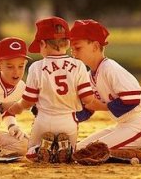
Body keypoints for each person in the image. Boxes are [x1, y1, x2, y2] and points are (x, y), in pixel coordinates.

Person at [8, 17, 107, 163]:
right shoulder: (78, 65)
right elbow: (87, 100)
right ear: (67, 43)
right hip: (68, 122)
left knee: (30, 154)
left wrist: (17, 107)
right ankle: (66, 148)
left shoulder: (36, 67)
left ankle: (39, 149)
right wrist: (105, 104)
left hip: (43, 120)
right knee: (72, 154)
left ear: (42, 43)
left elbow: (29, 101)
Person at [70, 19, 141, 152]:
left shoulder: (110, 68)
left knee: (90, 151)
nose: (74, 53)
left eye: (78, 48)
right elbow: (87, 109)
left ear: (95, 46)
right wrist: (63, 118)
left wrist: (102, 107)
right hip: (123, 127)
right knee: (78, 149)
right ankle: (140, 148)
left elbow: (133, 99)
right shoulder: (89, 76)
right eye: (71, 49)